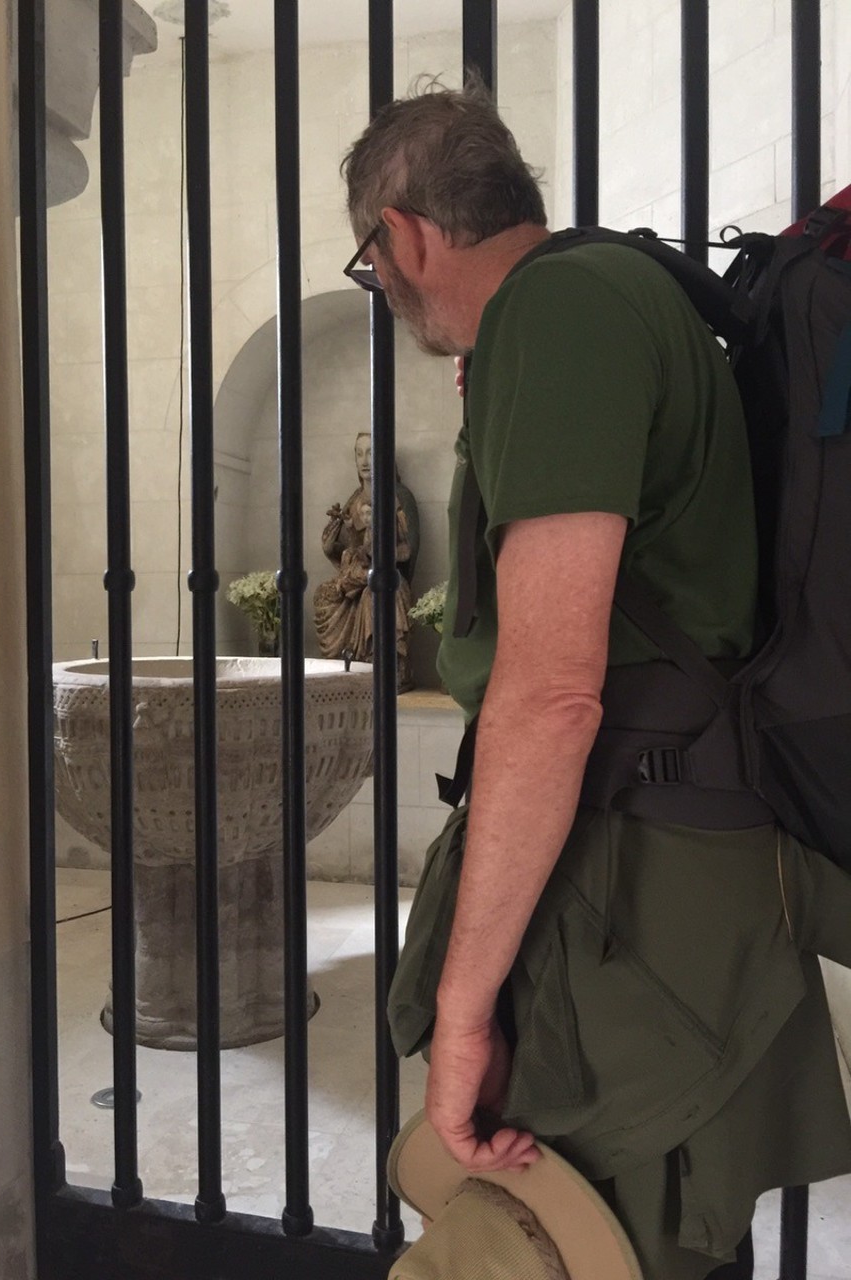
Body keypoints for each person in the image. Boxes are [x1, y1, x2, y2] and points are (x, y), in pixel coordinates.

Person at [341, 78, 851, 1280]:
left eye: (374, 267)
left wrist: (464, 1013)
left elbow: (554, 691)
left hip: (631, 889)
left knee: (585, 1240)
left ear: (405, 233)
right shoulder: (617, 291)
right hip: (669, 856)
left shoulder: (556, 314)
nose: (391, 293)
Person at [314, 432, 415, 691]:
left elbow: (409, 550)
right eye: (359, 453)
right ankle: (342, 668)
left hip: (386, 576)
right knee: (324, 594)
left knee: (377, 591)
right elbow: (349, 550)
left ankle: (381, 666)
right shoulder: (353, 500)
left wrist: (379, 557)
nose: (365, 460)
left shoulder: (400, 497)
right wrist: (330, 548)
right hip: (356, 574)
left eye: (371, 452)